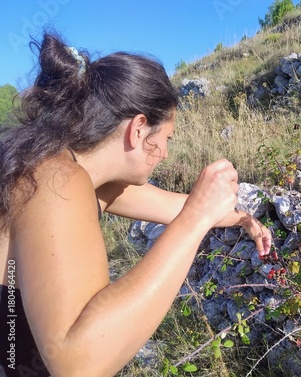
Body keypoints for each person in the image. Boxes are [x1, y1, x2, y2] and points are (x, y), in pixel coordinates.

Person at [0, 32, 272, 377]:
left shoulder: (77, 175)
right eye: (167, 139)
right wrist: (196, 220)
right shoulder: (57, 179)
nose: (167, 154)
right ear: (139, 129)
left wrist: (241, 219)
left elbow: (176, 206)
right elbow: (78, 363)